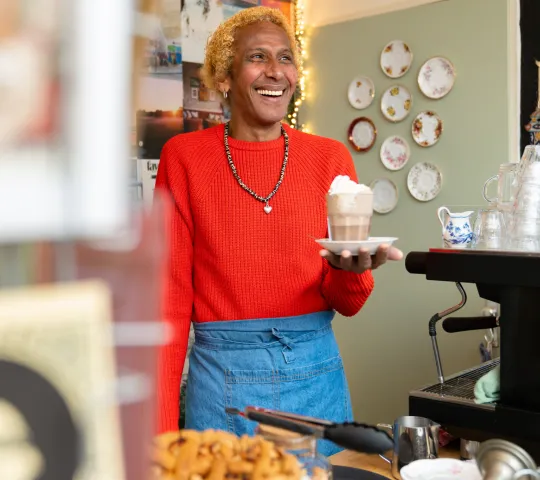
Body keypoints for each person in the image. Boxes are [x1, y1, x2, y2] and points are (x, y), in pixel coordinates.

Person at [155, 6, 403, 456]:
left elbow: (347, 304)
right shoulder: (184, 158)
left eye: (286, 58)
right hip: (223, 390)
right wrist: (157, 434)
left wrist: (354, 270)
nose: (276, 71)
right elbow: (168, 305)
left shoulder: (330, 159)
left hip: (318, 382)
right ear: (224, 77)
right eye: (257, 57)